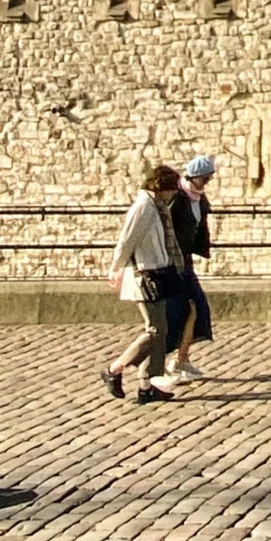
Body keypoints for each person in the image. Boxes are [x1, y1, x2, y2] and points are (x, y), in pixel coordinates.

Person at [105, 163, 185, 401]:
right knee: (155, 330)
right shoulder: (143, 207)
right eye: (172, 189)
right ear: (163, 188)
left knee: (160, 331)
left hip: (157, 273)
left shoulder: (154, 206)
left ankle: (146, 385)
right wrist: (115, 267)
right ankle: (114, 369)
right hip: (145, 276)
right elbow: (126, 240)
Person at [165, 154, 218, 380]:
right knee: (181, 310)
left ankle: (181, 359)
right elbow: (167, 228)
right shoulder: (178, 198)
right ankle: (163, 363)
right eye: (204, 179)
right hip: (172, 262)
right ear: (194, 177)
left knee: (197, 309)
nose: (206, 183)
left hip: (185, 260)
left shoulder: (198, 198)